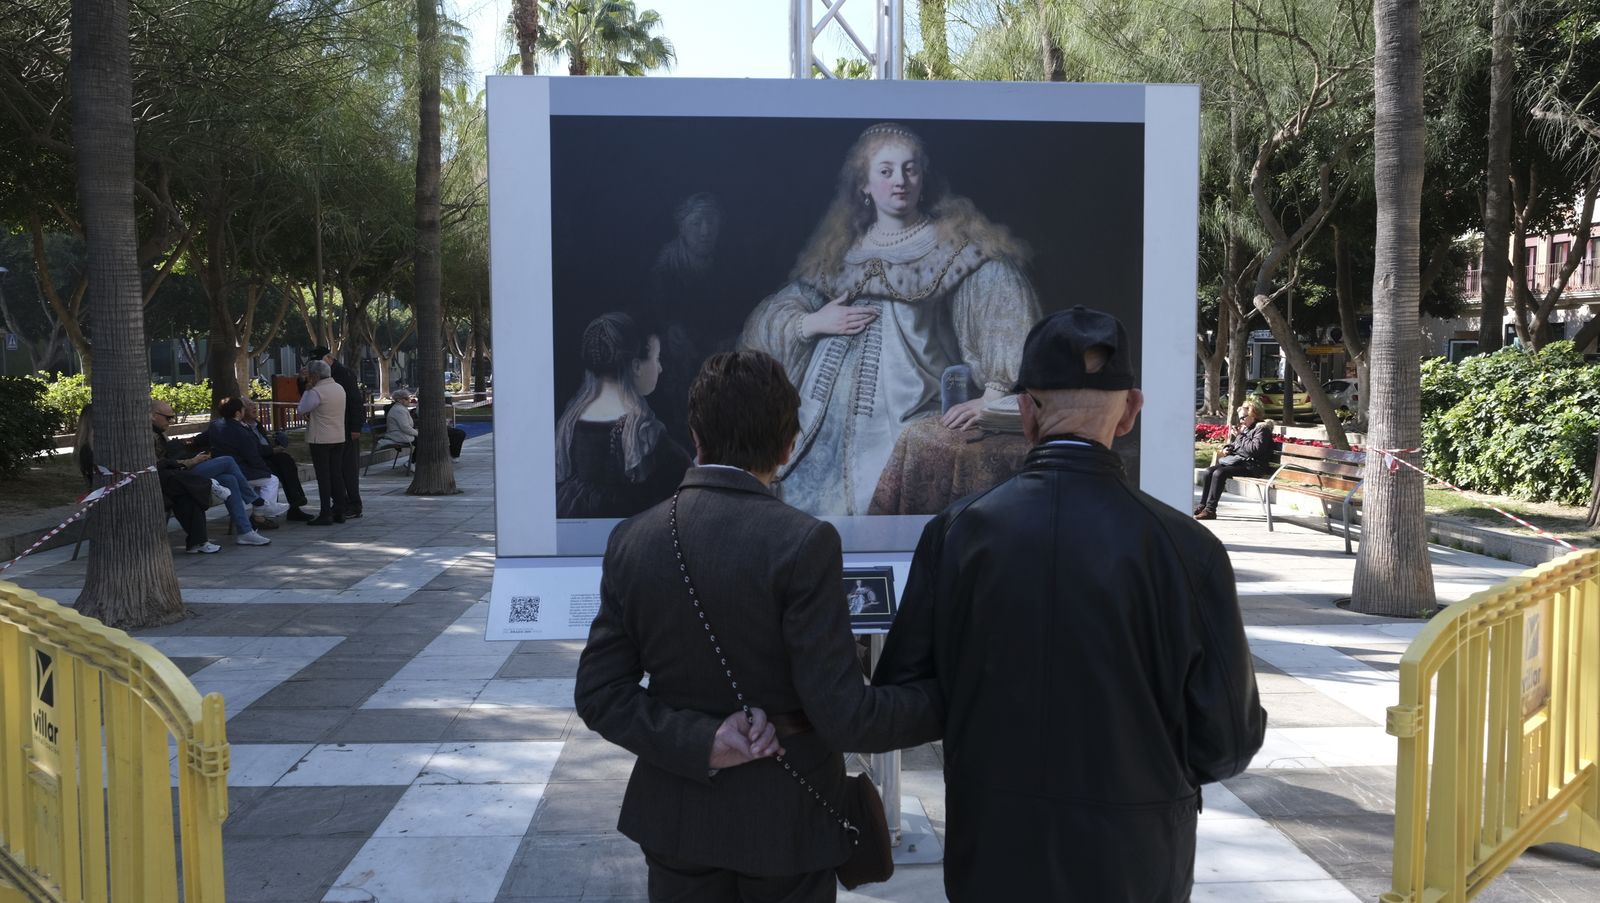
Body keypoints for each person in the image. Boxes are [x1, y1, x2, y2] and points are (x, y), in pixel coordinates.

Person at [873, 307, 1266, 902]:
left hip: (993, 851)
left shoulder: (957, 533)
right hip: (1135, 858)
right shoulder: (1189, 550)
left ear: (1026, 412)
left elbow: (908, 692)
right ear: (1131, 410)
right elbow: (1229, 742)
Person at [574, 350, 943, 902]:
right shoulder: (804, 542)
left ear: (695, 433)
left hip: (679, 819)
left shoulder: (633, 538)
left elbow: (600, 694)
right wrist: (952, 699)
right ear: (788, 448)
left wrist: (702, 741)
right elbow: (845, 717)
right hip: (787, 824)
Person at [739, 122, 1042, 516]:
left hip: (908, 417)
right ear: (864, 184)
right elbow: (770, 318)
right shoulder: (840, 252)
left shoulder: (952, 249)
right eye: (885, 171)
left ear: (922, 177)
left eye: (910, 169)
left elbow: (1001, 295)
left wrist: (995, 391)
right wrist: (812, 323)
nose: (900, 180)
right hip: (820, 424)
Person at [555, 312, 690, 519]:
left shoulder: (571, 422)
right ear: (636, 366)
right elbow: (684, 476)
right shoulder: (645, 433)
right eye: (657, 358)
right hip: (630, 524)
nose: (661, 368)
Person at [152, 399, 271, 547]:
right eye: (168, 417)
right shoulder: (148, 436)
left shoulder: (160, 433)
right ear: (152, 415)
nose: (171, 421)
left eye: (172, 417)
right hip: (175, 476)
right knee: (227, 461)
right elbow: (160, 465)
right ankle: (256, 501)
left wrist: (193, 458)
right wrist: (192, 461)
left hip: (181, 471)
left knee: (229, 479)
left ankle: (245, 532)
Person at [208, 397, 294, 525]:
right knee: (271, 479)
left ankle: (261, 511)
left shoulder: (215, 425)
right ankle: (263, 510)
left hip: (224, 470)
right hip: (240, 471)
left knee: (265, 478)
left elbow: (200, 439)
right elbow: (252, 456)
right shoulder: (241, 431)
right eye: (243, 408)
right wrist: (264, 471)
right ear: (238, 413)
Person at [1195, 399, 1275, 521]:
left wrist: (1240, 436)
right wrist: (1228, 448)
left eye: (1243, 417)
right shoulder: (1247, 428)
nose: (1241, 420)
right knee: (1208, 472)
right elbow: (1237, 445)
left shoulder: (1262, 429)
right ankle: (1203, 505)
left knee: (1219, 473)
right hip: (1241, 462)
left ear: (1253, 414)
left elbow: (1253, 450)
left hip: (1254, 466)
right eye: (1240, 418)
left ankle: (1210, 510)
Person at [310, 346, 365, 517]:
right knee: (335, 470)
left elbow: (356, 402)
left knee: (347, 468)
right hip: (331, 430)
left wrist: (356, 427)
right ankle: (341, 502)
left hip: (346, 428)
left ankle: (354, 504)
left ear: (329, 358)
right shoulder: (321, 377)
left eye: (319, 362)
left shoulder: (344, 374)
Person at [240, 398, 312, 520]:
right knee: (282, 467)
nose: (254, 407)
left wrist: (275, 446)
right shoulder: (242, 429)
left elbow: (265, 443)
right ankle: (295, 503)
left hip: (267, 457)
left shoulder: (257, 425)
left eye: (254, 405)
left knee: (286, 460)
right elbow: (254, 450)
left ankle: (295, 505)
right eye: (249, 405)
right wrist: (272, 450)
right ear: (241, 411)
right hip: (255, 462)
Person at [298, 359, 348, 526]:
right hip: (338, 436)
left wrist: (307, 387)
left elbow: (302, 408)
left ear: (315, 375)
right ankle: (340, 510)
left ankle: (325, 512)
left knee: (324, 477)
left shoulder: (316, 391)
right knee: (336, 474)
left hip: (320, 439)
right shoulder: (338, 388)